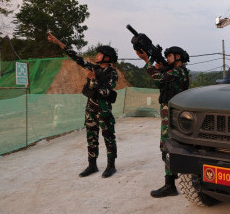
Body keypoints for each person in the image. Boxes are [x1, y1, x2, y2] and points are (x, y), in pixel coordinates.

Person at [47, 33, 119, 178]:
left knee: (108, 137)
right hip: (90, 109)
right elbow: (76, 57)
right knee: (91, 137)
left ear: (107, 57)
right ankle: (92, 165)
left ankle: (111, 166)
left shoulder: (113, 73)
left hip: (103, 110)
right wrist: (58, 42)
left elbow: (105, 92)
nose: (97, 55)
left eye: (100, 54)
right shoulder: (94, 68)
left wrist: (93, 80)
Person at [136, 46, 190, 197]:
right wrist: (158, 68)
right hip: (171, 114)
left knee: (167, 147)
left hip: (171, 115)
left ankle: (170, 185)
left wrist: (147, 61)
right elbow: (161, 83)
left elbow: (158, 78)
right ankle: (171, 180)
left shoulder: (179, 71)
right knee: (169, 147)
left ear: (178, 56)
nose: (167, 59)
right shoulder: (176, 72)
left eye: (170, 56)